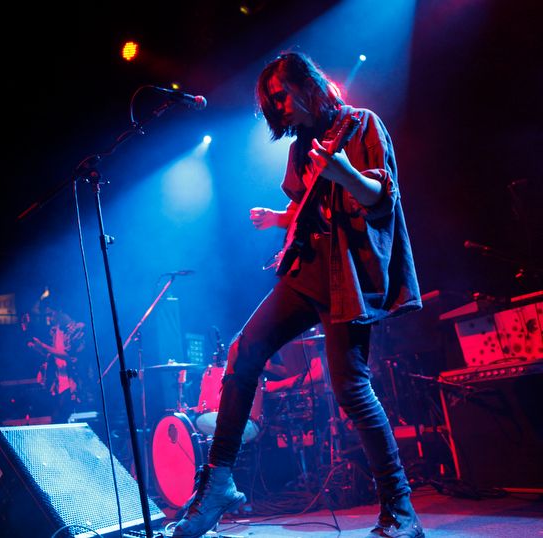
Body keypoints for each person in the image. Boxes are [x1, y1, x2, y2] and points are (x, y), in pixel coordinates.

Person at [172, 52, 424, 538]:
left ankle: (399, 507)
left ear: (308, 85)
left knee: (352, 389)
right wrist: (280, 219)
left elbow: (380, 200)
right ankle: (218, 482)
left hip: (346, 276)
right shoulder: (300, 148)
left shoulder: (361, 124)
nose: (279, 108)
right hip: (306, 271)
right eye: (271, 103)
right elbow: (315, 208)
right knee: (243, 353)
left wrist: (345, 172)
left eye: (282, 96)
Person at [24, 291, 86, 423]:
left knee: (60, 417)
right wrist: (38, 348)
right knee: (57, 418)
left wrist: (44, 347)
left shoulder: (76, 329)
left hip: (73, 381)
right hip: (58, 382)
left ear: (59, 311)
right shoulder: (54, 331)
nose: (50, 319)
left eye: (51, 314)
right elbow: (52, 355)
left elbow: (70, 356)